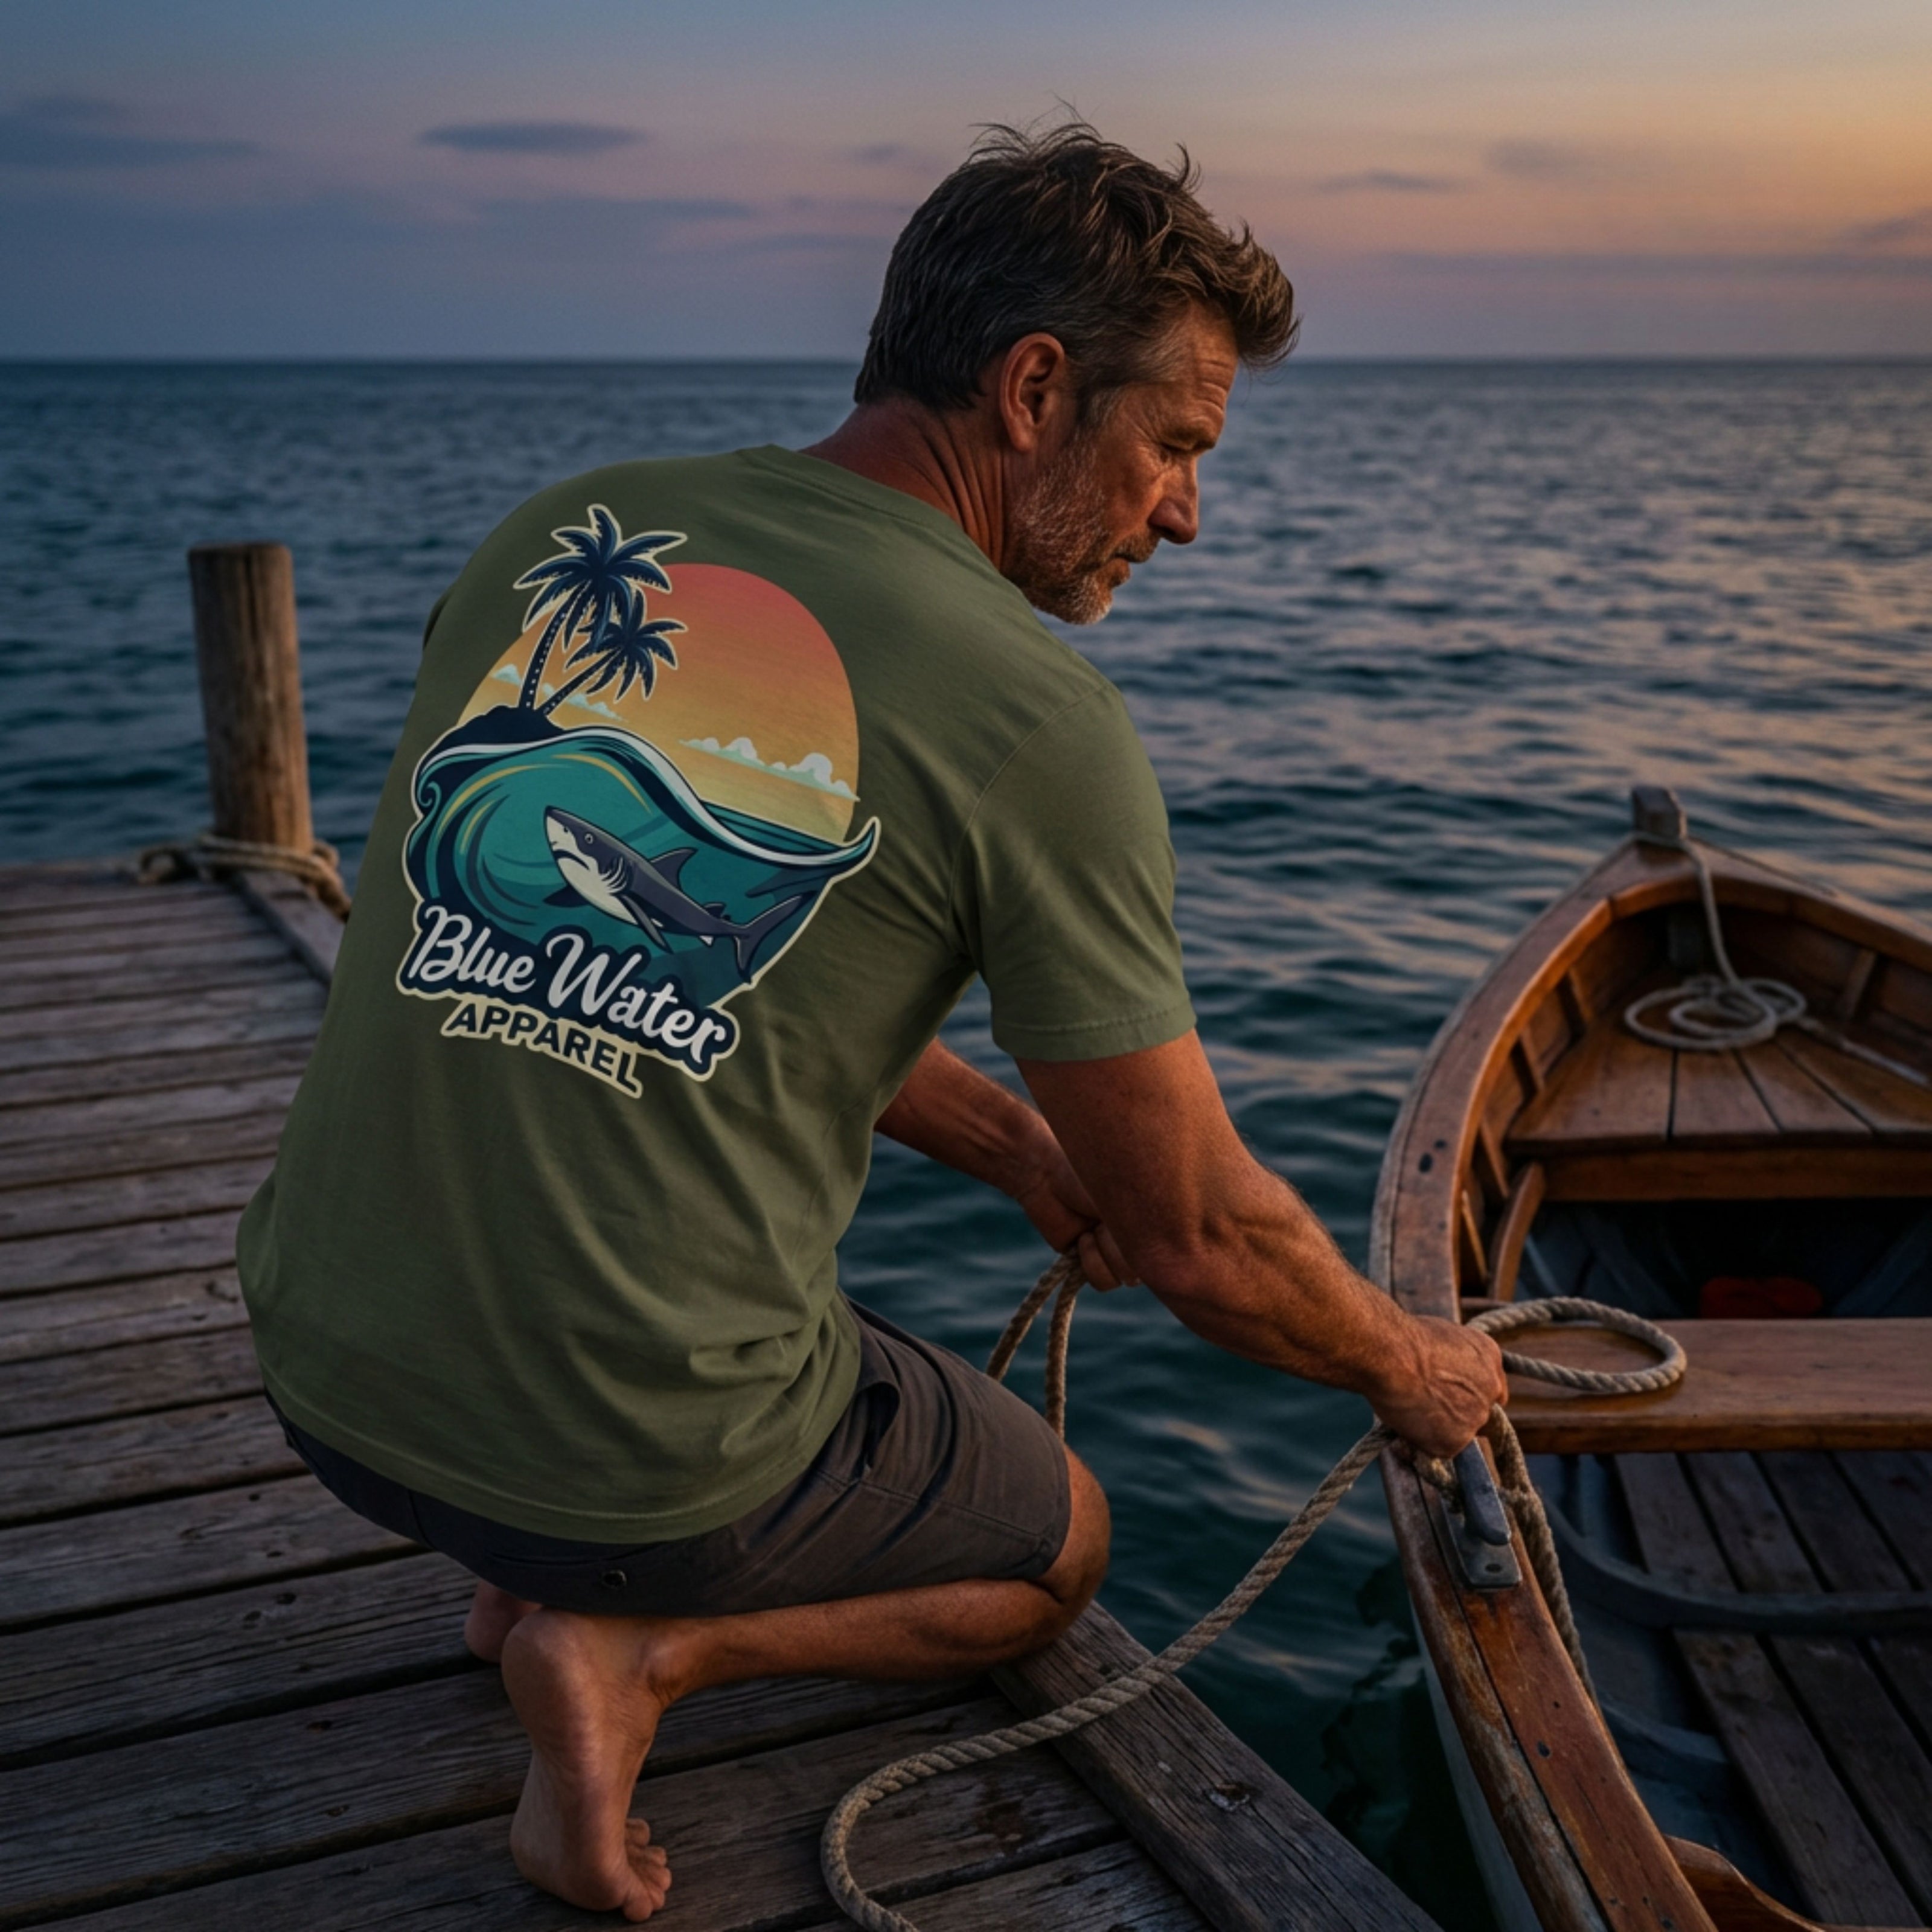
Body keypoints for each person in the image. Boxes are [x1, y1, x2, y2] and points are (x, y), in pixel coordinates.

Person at [237, 122, 1506, 1922]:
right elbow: (1204, 1241)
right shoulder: (1032, 720)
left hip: (324, 1376)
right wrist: (1421, 1370)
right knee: (1057, 1547)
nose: (1185, 513)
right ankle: (631, 1659)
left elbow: (637, 952)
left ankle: (527, 1571)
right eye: (1177, 446)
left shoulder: (564, 533)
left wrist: (1009, 1145)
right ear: (1036, 389)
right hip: (626, 1464)